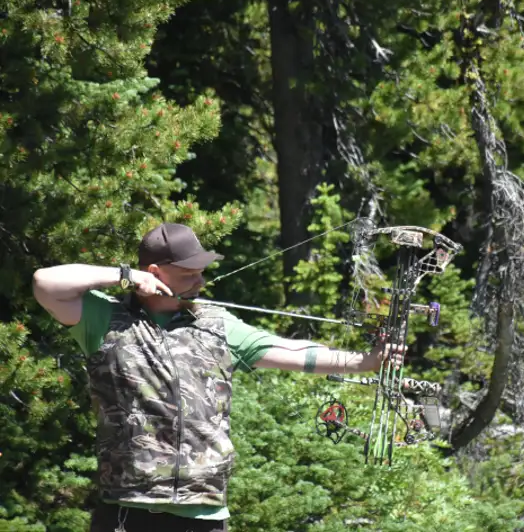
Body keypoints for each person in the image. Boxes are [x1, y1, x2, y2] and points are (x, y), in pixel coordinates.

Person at [32, 223, 406, 532]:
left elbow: (293, 353)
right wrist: (124, 276)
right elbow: (45, 283)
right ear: (155, 274)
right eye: (189, 273)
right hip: (129, 510)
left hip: (206, 514)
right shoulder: (104, 319)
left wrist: (365, 361)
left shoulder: (214, 323)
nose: (201, 281)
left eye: (202, 271)